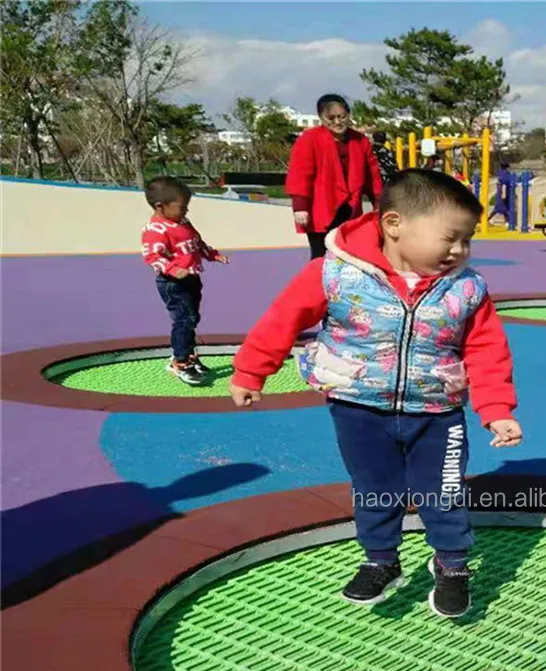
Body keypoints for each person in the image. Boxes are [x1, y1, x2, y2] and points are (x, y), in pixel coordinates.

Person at [229, 170, 522, 618]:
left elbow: (486, 350)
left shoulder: (466, 288)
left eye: (467, 240)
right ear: (393, 224)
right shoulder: (336, 274)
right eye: (449, 237)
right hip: (359, 409)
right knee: (374, 489)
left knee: (442, 492)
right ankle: (381, 560)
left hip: (437, 413)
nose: (459, 250)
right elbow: (283, 318)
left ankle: (453, 564)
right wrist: (252, 370)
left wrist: (496, 409)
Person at [141, 176, 229, 386]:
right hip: (173, 284)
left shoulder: (183, 222)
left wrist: (212, 254)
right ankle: (179, 362)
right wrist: (172, 269)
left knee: (192, 317)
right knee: (184, 320)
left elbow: (196, 242)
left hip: (192, 278)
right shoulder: (156, 230)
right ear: (160, 207)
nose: (186, 212)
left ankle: (188, 355)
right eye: (182, 208)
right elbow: (152, 256)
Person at [286, 93, 383, 260]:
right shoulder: (309, 139)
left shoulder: (360, 141)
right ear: (321, 117)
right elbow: (300, 174)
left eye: (342, 116)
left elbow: (372, 175)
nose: (337, 122)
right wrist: (300, 206)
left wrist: (381, 203)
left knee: (350, 254)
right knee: (320, 256)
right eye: (331, 118)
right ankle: (317, 285)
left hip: (351, 209)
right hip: (321, 208)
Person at [489, 160, 515, 227]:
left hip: (500, 192)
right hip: (504, 192)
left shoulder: (500, 173)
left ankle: (506, 221)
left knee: (500, 207)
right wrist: (504, 194)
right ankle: (507, 222)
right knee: (503, 207)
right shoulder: (506, 174)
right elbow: (504, 184)